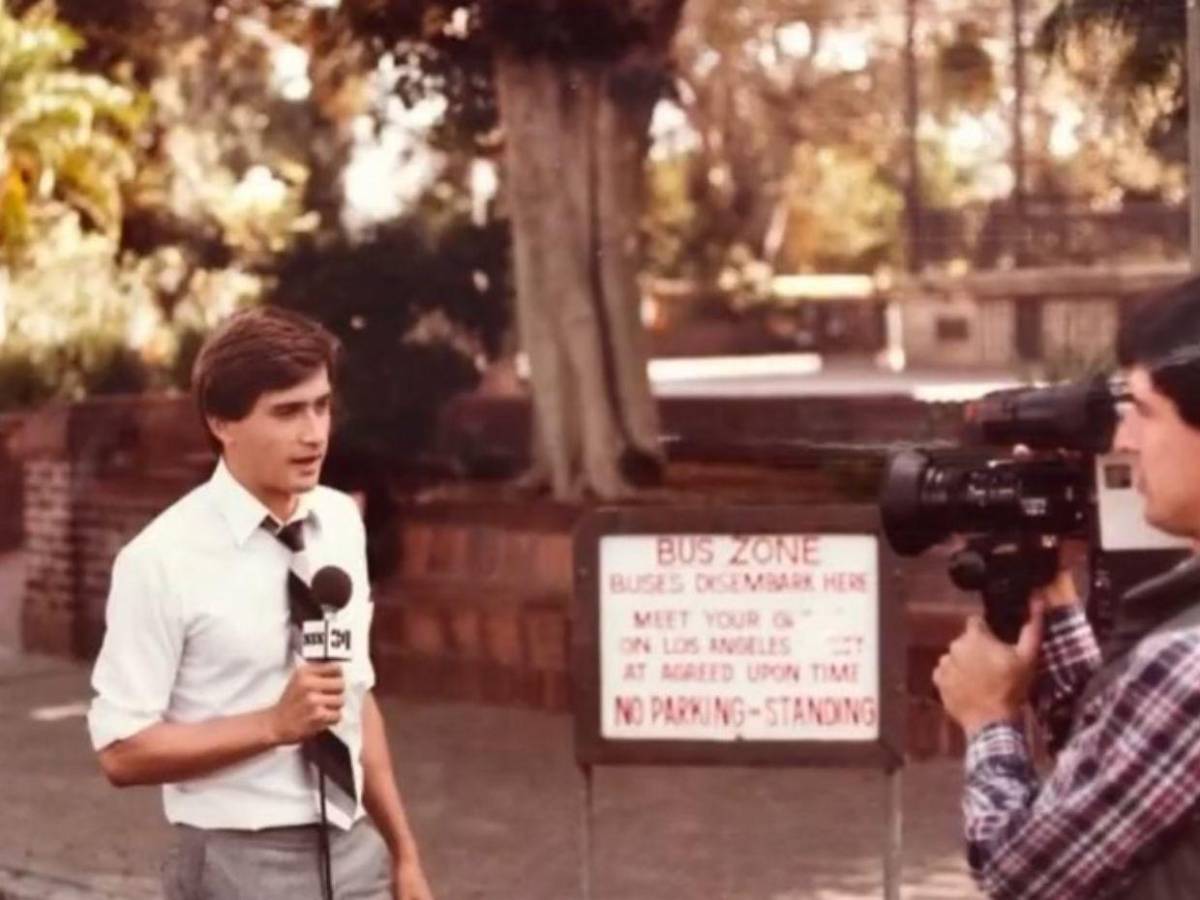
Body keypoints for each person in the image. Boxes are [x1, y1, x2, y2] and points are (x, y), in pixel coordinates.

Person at [86, 307, 434, 900]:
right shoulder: (161, 560)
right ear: (222, 422)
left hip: (354, 854)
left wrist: (404, 854)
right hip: (237, 863)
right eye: (287, 412)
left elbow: (354, 698)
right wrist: (272, 725)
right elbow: (121, 751)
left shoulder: (341, 522)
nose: (314, 433)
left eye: (321, 405)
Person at [933, 275, 1200, 900]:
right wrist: (1050, 592)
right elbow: (1124, 771)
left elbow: (1023, 873)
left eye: (1145, 411)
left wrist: (988, 719)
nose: (1123, 440)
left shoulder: (1185, 666)